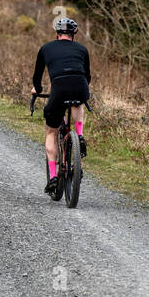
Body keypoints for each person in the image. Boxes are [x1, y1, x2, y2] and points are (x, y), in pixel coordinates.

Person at [31, 17, 90, 194]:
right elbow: (87, 76)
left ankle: (54, 177)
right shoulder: (82, 49)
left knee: (52, 131)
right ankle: (79, 135)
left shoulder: (46, 48)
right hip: (80, 85)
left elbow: (37, 76)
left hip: (58, 89)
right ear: (75, 34)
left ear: (57, 34)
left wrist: (37, 89)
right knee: (79, 103)